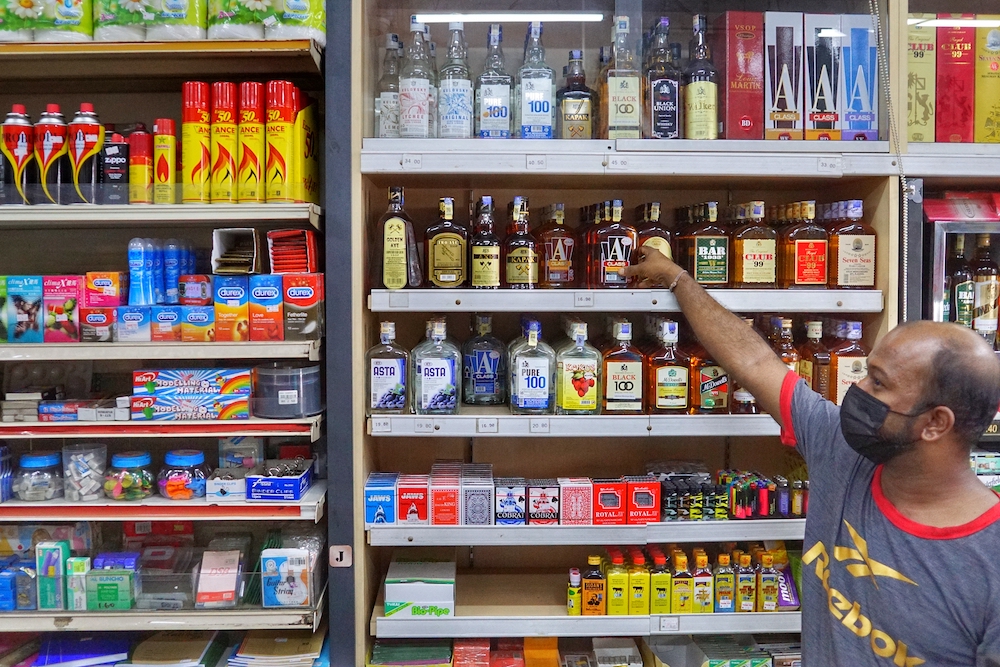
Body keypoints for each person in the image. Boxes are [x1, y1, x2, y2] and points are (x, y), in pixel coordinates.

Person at [625, 247, 1000, 667]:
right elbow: (753, 360)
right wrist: (678, 279)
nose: (856, 391)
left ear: (935, 423)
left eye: (878, 383)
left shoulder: (988, 563)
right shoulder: (839, 447)